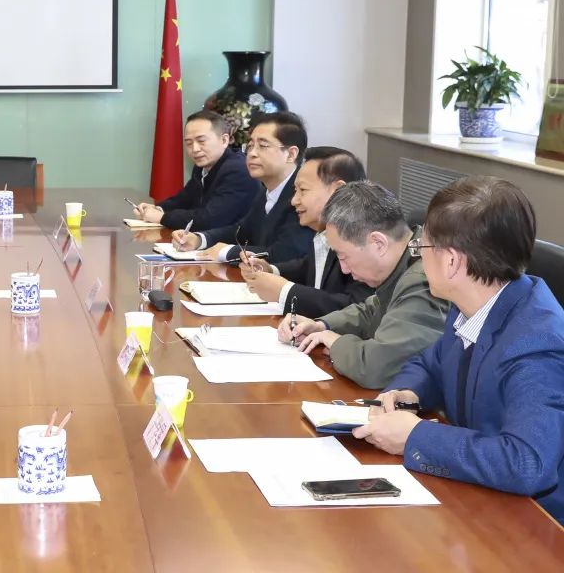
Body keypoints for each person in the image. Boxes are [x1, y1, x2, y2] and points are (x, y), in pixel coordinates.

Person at [353, 177, 564, 524]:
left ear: (451, 262)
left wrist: (415, 436)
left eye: (422, 246)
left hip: (535, 523)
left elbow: (527, 464)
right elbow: (432, 363)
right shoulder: (472, 304)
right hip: (478, 496)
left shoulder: (537, 344)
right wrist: (407, 392)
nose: (418, 255)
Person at [279, 181, 449, 389]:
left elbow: (375, 368)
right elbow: (374, 309)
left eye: (343, 256)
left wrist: (334, 341)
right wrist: (322, 325)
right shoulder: (407, 257)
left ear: (378, 243)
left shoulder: (424, 279)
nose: (344, 269)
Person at [240, 146, 373, 317]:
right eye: (295, 191)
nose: (294, 201)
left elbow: (357, 309)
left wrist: (284, 291)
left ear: (338, 191)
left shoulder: (366, 239)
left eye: (302, 190)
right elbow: (309, 267)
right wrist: (270, 270)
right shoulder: (324, 231)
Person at [172, 111, 314, 263]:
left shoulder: (304, 196)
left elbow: (286, 253)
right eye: (250, 145)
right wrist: (200, 239)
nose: (252, 153)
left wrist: (226, 252)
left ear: (291, 154)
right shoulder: (266, 189)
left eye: (263, 146)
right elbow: (242, 231)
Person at [133, 109, 258, 230]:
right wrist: (158, 209)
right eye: (188, 143)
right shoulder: (203, 165)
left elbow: (210, 219)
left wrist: (162, 218)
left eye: (201, 141)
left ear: (224, 140)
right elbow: (185, 199)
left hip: (236, 242)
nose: (195, 149)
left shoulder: (238, 170)